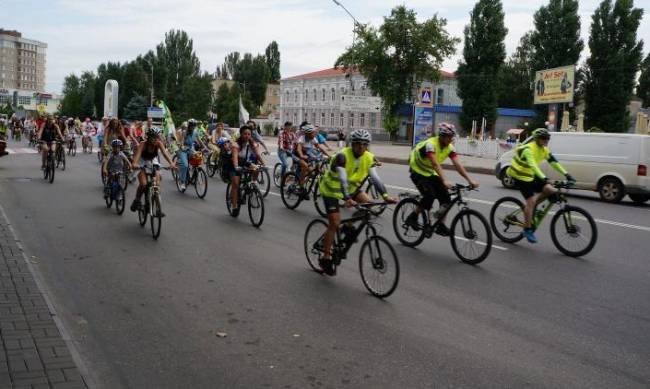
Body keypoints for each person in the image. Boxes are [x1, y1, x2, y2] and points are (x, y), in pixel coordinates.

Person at [318, 129, 396, 276]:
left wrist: (385, 196)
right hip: (331, 189)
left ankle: (348, 228)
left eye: (364, 144)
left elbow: (375, 178)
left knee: (369, 205)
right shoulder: (342, 156)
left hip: (351, 188)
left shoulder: (369, 157)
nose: (361, 147)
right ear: (352, 144)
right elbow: (342, 177)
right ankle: (326, 257)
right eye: (358, 144)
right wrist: (347, 198)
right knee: (334, 222)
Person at [405, 123, 479, 236]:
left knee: (446, 199)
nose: (451, 139)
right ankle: (413, 217)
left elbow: (458, 165)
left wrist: (470, 180)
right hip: (417, 169)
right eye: (449, 136)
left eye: (452, 136)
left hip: (429, 171)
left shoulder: (450, 148)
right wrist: (444, 180)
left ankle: (440, 226)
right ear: (442, 136)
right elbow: (435, 164)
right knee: (429, 196)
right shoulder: (430, 144)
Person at [505, 128, 575, 243]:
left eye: (548, 138)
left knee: (549, 190)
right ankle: (527, 229)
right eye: (543, 138)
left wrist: (567, 174)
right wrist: (545, 178)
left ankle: (531, 208)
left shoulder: (544, 150)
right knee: (531, 201)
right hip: (519, 175)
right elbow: (533, 165)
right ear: (537, 139)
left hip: (531, 174)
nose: (546, 140)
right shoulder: (528, 149)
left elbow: (554, 162)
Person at [130, 127, 176, 212]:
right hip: (142, 161)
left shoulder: (159, 143)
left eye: (157, 137)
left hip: (152, 160)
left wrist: (171, 163)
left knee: (156, 184)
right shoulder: (143, 144)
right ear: (148, 137)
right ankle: (137, 200)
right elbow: (138, 155)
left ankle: (158, 208)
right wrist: (134, 164)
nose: (155, 139)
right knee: (143, 184)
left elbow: (165, 154)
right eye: (153, 137)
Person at [227, 125, 265, 216]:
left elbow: (258, 155)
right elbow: (235, 157)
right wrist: (236, 167)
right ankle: (234, 206)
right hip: (233, 164)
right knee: (236, 183)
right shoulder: (236, 144)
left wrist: (264, 164)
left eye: (249, 134)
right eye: (245, 134)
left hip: (245, 162)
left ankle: (253, 183)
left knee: (257, 168)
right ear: (241, 134)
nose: (247, 136)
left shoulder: (252, 144)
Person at [294, 123, 330, 195]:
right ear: (307, 134)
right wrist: (302, 155)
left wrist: (329, 156)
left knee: (312, 172)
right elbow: (298, 149)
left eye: (314, 133)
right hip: (297, 155)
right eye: (312, 133)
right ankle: (301, 187)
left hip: (306, 156)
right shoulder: (302, 138)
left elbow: (320, 147)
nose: (314, 134)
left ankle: (302, 183)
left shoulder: (313, 138)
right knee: (305, 166)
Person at [175, 119, 206, 191]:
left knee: (198, 159)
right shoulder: (184, 132)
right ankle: (182, 181)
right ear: (189, 126)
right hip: (183, 150)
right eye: (192, 125)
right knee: (185, 165)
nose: (193, 127)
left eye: (194, 126)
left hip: (191, 149)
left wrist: (205, 147)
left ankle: (194, 171)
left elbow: (199, 140)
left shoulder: (195, 132)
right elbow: (182, 141)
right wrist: (182, 146)